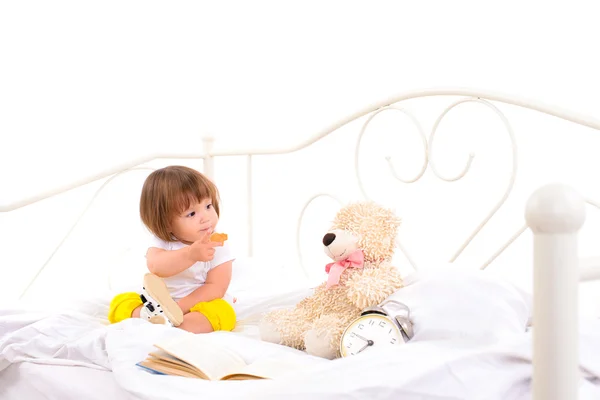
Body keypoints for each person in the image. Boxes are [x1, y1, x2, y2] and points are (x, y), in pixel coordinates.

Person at [107, 165, 237, 334]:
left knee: (223, 312)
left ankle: (173, 327)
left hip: (199, 303)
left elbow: (216, 287)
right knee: (121, 302)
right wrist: (190, 254)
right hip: (158, 304)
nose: (206, 217)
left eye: (208, 206)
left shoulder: (217, 243)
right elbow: (156, 267)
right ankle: (148, 317)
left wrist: (179, 308)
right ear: (167, 223)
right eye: (191, 214)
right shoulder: (163, 242)